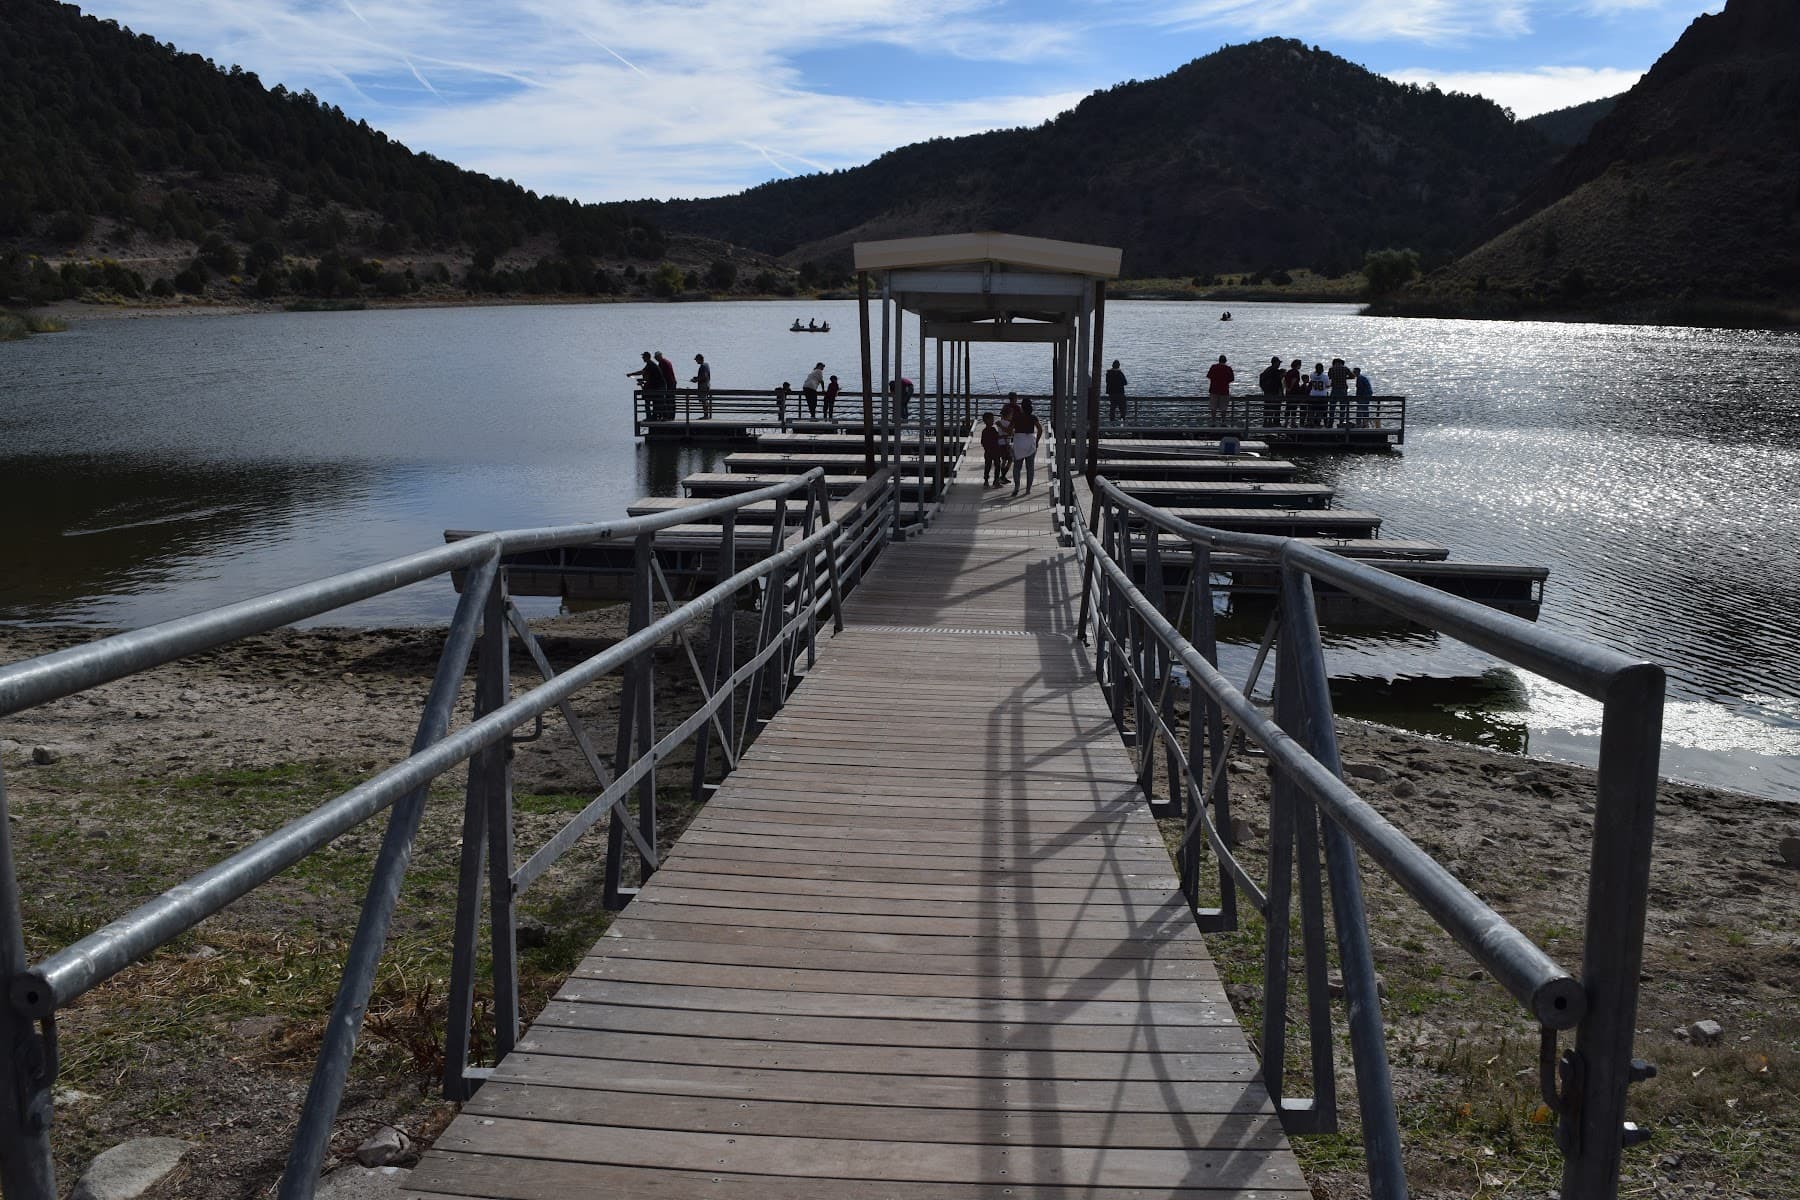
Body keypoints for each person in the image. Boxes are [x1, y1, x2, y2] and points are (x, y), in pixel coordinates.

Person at [1011, 399, 1041, 496]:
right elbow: (1040, 429)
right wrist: (1037, 441)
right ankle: (1028, 489)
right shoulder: (1033, 417)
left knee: (1017, 467)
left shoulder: (1016, 417)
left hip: (1019, 443)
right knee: (1030, 468)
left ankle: (1016, 487)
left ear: (1022, 407)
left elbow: (1009, 430)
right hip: (1030, 443)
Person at [995, 394, 1018, 485]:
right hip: (1006, 444)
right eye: (1011, 415)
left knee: (1004, 460)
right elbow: (1010, 433)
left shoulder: (1000, 422)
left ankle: (1002, 477)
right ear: (1008, 415)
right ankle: (1002, 476)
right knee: (1010, 459)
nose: (1012, 416)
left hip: (1000, 443)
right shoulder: (1008, 424)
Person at [626, 351, 658, 415]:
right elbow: (647, 375)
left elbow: (642, 372)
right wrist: (643, 380)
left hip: (656, 387)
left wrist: (631, 374)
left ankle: (649, 417)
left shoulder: (650, 364)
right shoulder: (650, 364)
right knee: (648, 398)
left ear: (647, 357)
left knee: (647, 399)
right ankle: (651, 416)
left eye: (643, 357)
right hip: (655, 386)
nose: (642, 358)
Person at [1205, 354, 1234, 424]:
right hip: (1224, 391)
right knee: (1223, 408)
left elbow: (1209, 376)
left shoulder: (1213, 367)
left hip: (1214, 390)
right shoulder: (1228, 368)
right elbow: (1231, 379)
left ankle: (1213, 422)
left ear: (1219, 360)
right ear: (1225, 361)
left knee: (1213, 407)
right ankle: (1223, 422)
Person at [1257, 355, 1284, 427]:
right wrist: (1281, 393)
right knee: (1275, 408)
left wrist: (1264, 388)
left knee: (1267, 407)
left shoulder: (1267, 370)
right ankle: (1275, 423)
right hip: (1274, 393)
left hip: (1267, 392)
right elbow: (1278, 383)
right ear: (1275, 363)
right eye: (1278, 363)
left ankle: (1266, 422)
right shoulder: (1276, 371)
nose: (1279, 364)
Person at [979, 411, 1004, 487]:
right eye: (992, 419)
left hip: (988, 451)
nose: (993, 421)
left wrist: (986, 448)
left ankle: (986, 481)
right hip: (995, 451)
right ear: (987, 420)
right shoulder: (993, 429)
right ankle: (996, 481)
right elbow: (997, 437)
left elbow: (982, 442)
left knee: (988, 466)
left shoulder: (984, 431)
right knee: (997, 466)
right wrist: (1004, 436)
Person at [1327, 357, 1351, 427]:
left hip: (1334, 389)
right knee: (1342, 407)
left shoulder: (1331, 369)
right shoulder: (1345, 368)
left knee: (1332, 407)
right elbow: (1353, 376)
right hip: (1343, 389)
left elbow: (1329, 377)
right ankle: (1341, 423)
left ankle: (1330, 423)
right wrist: (1345, 377)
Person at [690, 353, 713, 419]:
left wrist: (696, 380)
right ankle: (706, 415)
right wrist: (696, 378)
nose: (696, 361)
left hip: (703, 386)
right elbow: (704, 376)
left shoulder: (703, 366)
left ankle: (706, 416)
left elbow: (704, 377)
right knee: (704, 401)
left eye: (696, 360)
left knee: (704, 401)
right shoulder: (706, 364)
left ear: (699, 359)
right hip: (707, 384)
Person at [1283, 358, 1303, 427]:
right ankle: (1293, 422)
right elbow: (1294, 380)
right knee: (1294, 407)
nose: (1300, 366)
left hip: (1288, 392)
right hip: (1294, 391)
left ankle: (1286, 422)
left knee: (1288, 407)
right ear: (1297, 365)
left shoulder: (1288, 371)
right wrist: (1290, 388)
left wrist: (1287, 388)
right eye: (1300, 365)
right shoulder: (1296, 372)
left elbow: (1284, 381)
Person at [1307, 363, 1329, 428]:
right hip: (1322, 395)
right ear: (1322, 369)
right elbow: (1327, 385)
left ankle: (1311, 423)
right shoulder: (1325, 377)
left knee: (1312, 410)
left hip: (1313, 394)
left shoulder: (1312, 375)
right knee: (1320, 411)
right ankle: (1318, 423)